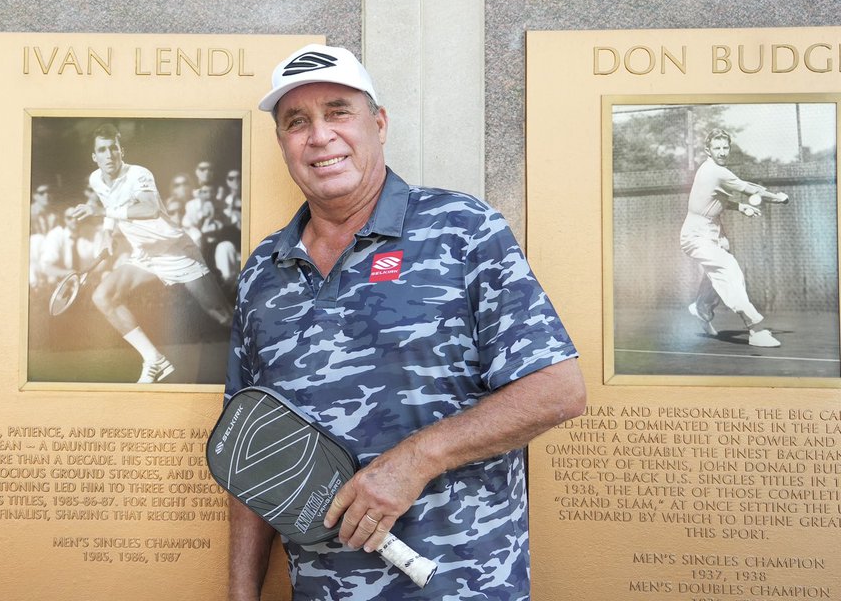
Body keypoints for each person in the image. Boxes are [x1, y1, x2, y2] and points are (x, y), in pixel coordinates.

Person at [226, 44, 585, 601]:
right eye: (297, 122)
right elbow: (252, 451)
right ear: (283, 145)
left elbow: (557, 390)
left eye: (338, 111)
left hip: (463, 587)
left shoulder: (461, 229)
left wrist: (415, 461)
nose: (319, 136)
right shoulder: (262, 273)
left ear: (379, 123)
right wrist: (241, 594)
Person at [72, 124, 233, 382]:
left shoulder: (138, 174)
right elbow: (110, 206)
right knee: (103, 296)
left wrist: (103, 214)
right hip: (144, 255)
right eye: (102, 150)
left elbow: (149, 209)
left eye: (113, 148)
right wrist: (107, 234)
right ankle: (154, 360)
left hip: (175, 250)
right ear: (95, 157)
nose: (109, 154)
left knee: (222, 314)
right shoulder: (96, 179)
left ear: (121, 150)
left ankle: (263, 357)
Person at [681, 128, 789, 348]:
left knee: (716, 274)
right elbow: (749, 188)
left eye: (725, 147)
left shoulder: (714, 171)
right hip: (696, 235)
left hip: (713, 232)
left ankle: (701, 307)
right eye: (717, 148)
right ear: (708, 150)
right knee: (729, 269)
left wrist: (740, 207)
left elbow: (713, 201)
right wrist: (777, 197)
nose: (722, 152)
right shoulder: (715, 171)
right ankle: (755, 330)